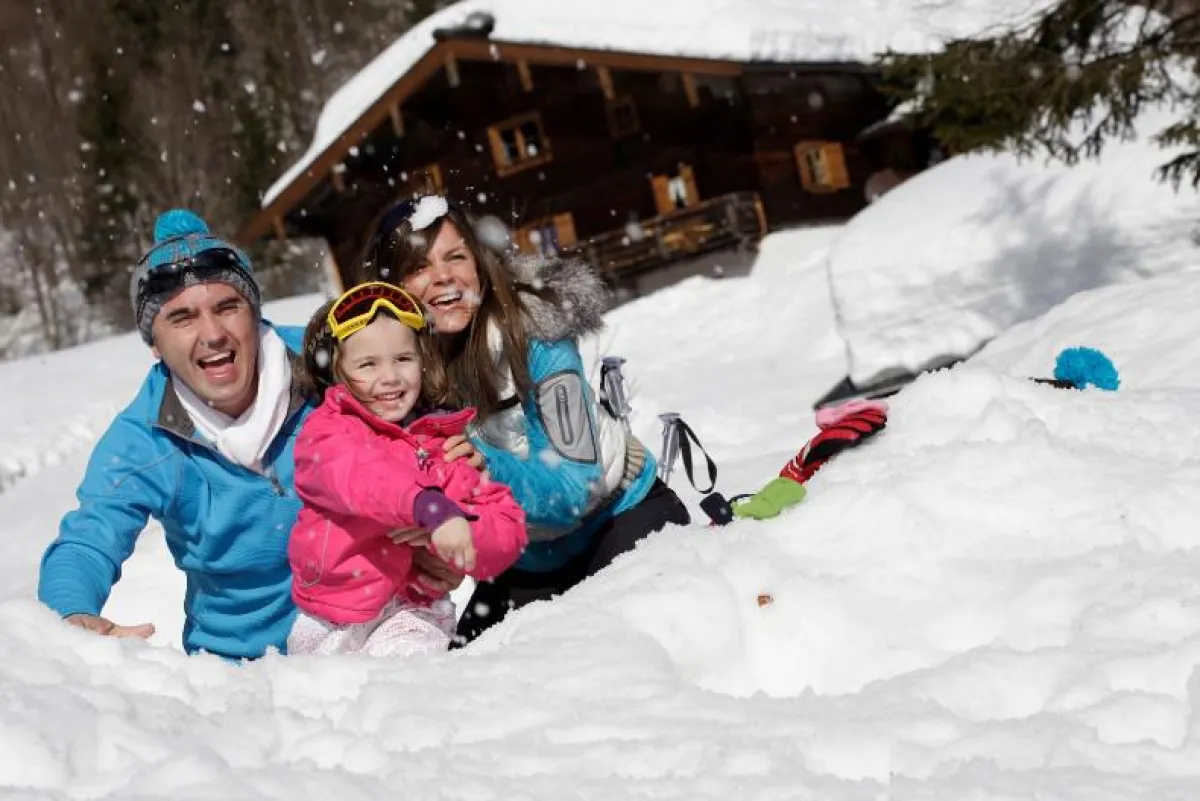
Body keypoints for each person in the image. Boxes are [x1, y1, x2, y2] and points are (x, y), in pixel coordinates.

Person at [35, 209, 463, 660]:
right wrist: (71, 615)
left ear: (254, 311)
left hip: (375, 631)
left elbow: (425, 411)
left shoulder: (326, 364)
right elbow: (88, 540)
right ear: (154, 344)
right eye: (182, 317)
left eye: (227, 306)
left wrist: (452, 481)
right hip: (241, 669)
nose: (213, 334)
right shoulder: (146, 438)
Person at [357, 195, 692, 645]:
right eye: (419, 266)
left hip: (618, 520)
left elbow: (575, 487)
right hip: (524, 557)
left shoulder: (535, 335)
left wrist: (484, 470)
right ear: (392, 287)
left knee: (622, 654)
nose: (443, 277)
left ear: (479, 263)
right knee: (471, 671)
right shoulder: (398, 370)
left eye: (456, 256)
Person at [285, 280, 527, 656]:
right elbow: (361, 476)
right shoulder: (327, 433)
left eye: (403, 359)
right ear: (338, 371)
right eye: (368, 364)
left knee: (399, 685)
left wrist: (457, 531)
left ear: (422, 360)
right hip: (326, 615)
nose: (390, 378)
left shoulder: (439, 446)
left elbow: (507, 527)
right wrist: (428, 508)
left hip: (413, 611)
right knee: (318, 702)